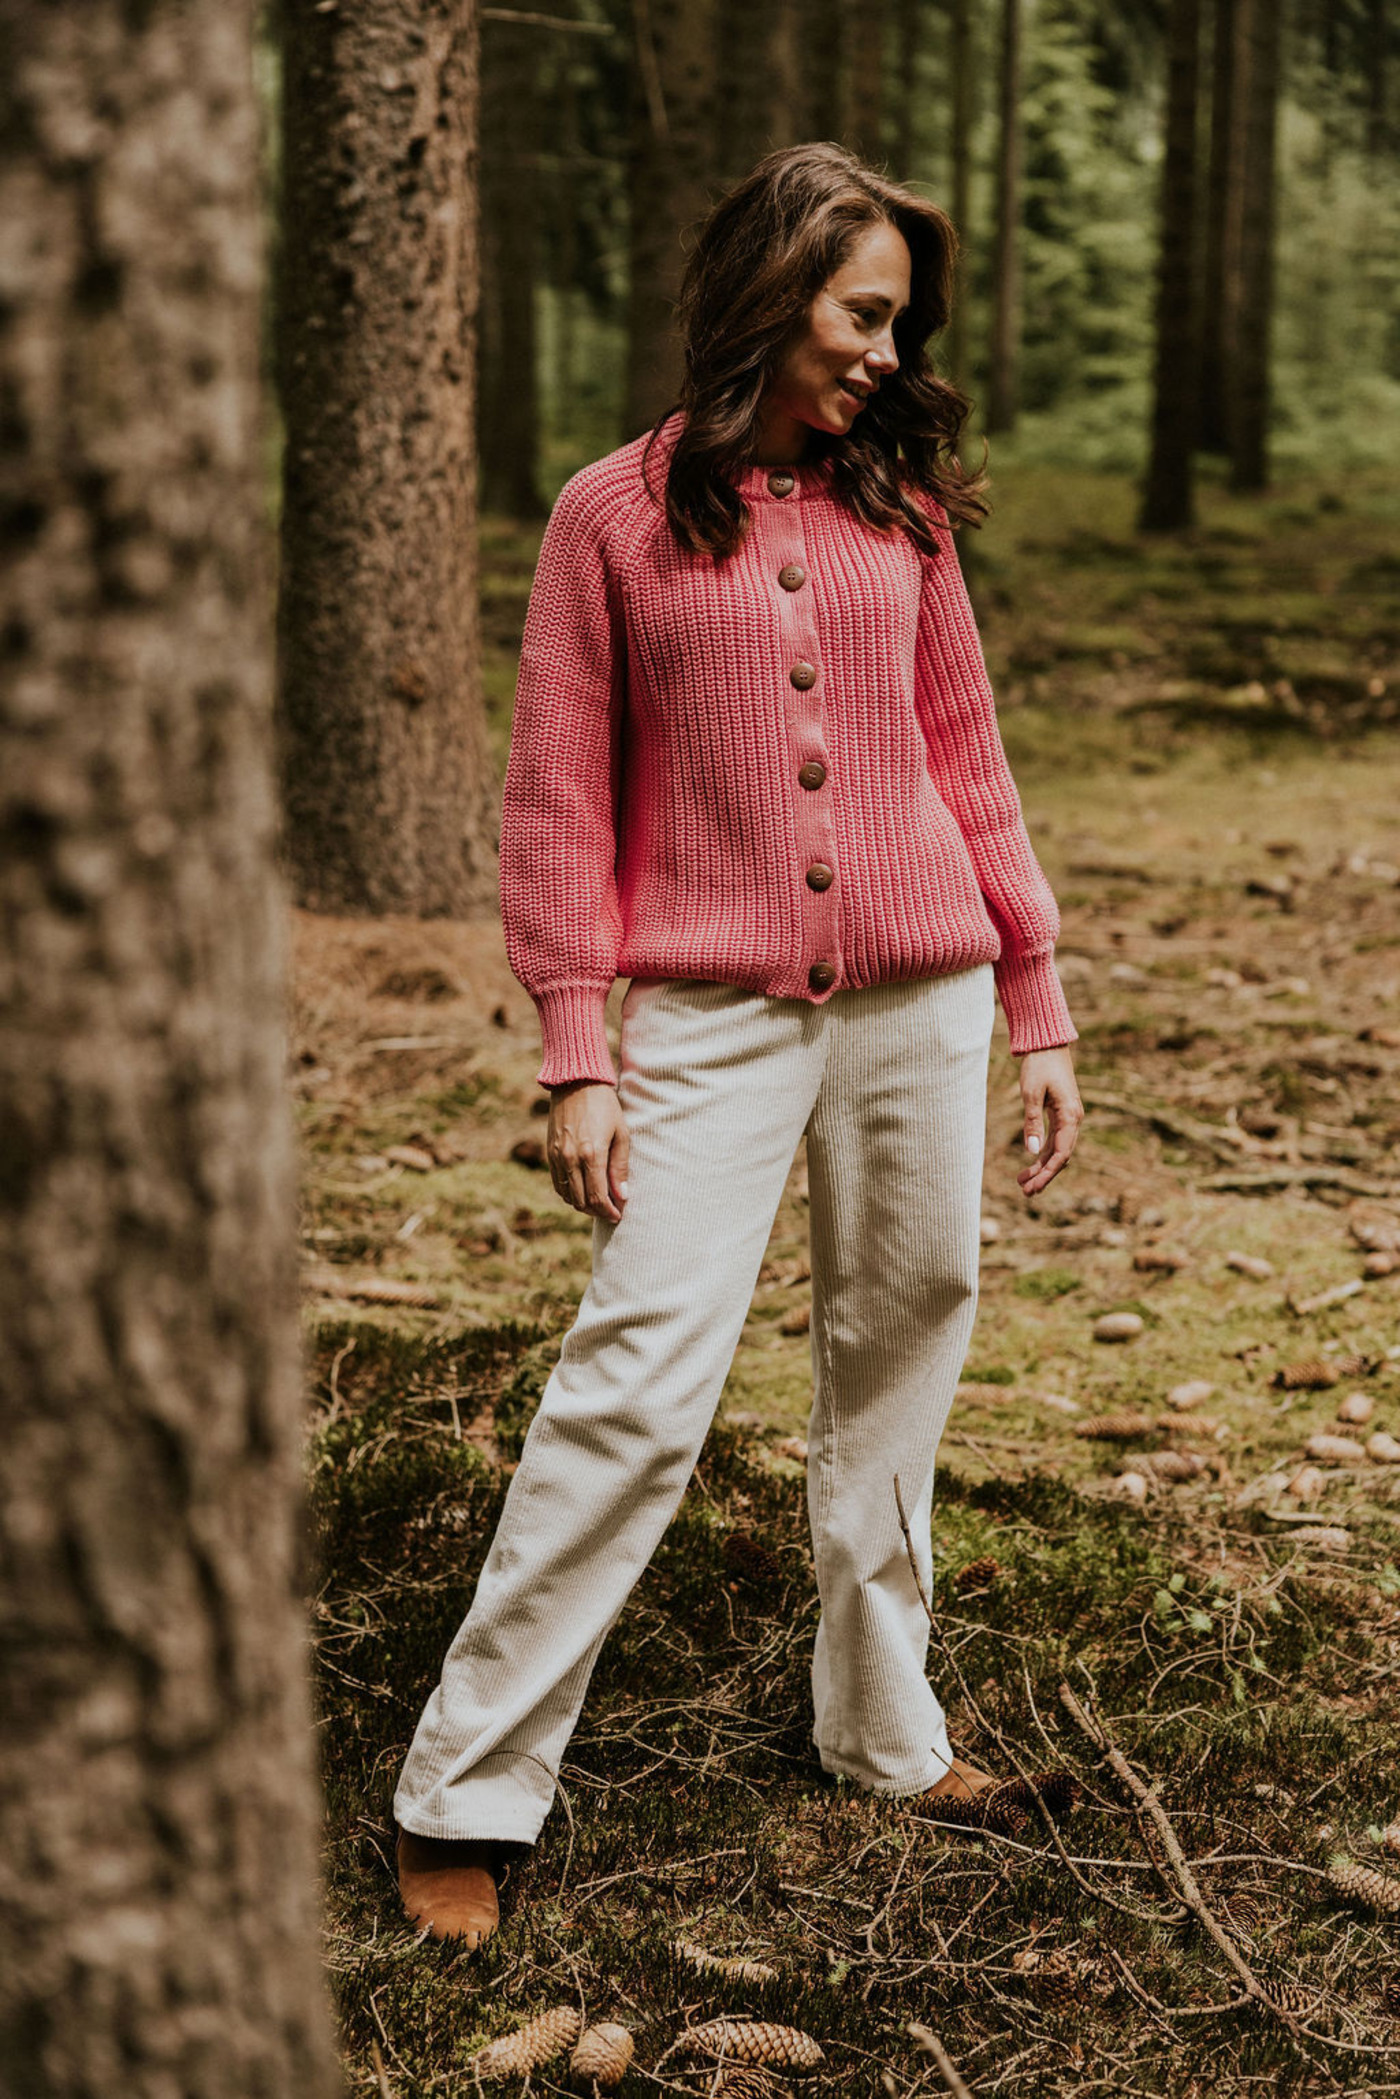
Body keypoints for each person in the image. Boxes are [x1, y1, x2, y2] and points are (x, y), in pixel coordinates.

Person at [393, 142, 1084, 1946]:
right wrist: (577, 1046)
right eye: (862, 314)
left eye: (901, 325)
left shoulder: (901, 512)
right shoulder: (608, 517)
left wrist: (1036, 998)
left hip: (920, 997)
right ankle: (464, 1787)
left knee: (906, 1347)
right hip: (706, 1011)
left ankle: (883, 1731)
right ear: (772, 294)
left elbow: (968, 757)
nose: (884, 352)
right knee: (637, 1381)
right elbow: (556, 797)